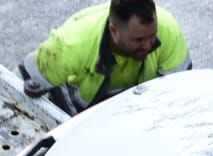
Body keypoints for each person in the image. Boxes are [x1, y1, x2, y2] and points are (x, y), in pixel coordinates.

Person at [19, 1, 191, 116]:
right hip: (75, 114)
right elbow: (20, 88)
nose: (148, 45)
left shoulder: (168, 31)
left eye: (152, 36)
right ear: (114, 31)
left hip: (136, 109)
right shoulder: (70, 45)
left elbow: (181, 95)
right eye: (138, 40)